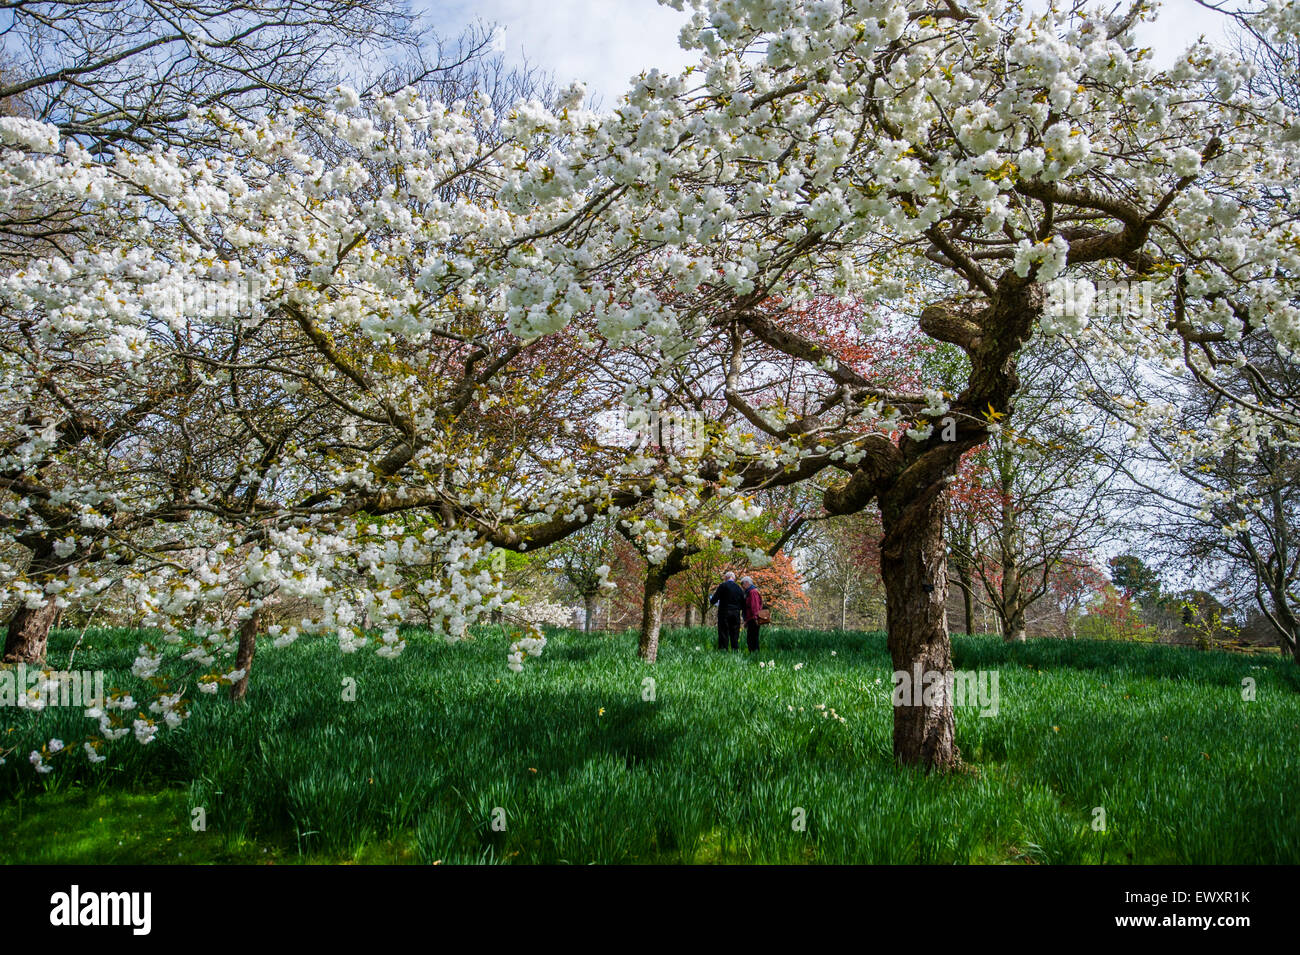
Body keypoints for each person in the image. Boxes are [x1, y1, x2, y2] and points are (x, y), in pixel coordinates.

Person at [709, 571, 745, 651]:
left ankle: (723, 650)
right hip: (735, 613)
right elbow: (743, 602)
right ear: (734, 578)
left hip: (724, 612)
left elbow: (714, 599)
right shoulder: (739, 588)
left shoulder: (723, 586)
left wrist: (711, 600)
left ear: (726, 578)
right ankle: (735, 650)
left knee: (723, 631)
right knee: (735, 632)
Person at [740, 576, 763, 653]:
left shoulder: (752, 592)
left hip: (754, 619)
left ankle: (754, 654)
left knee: (753, 638)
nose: (742, 586)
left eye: (742, 584)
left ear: (747, 583)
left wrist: (756, 618)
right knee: (751, 638)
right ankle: (753, 654)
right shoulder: (749, 592)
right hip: (751, 618)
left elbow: (755, 606)